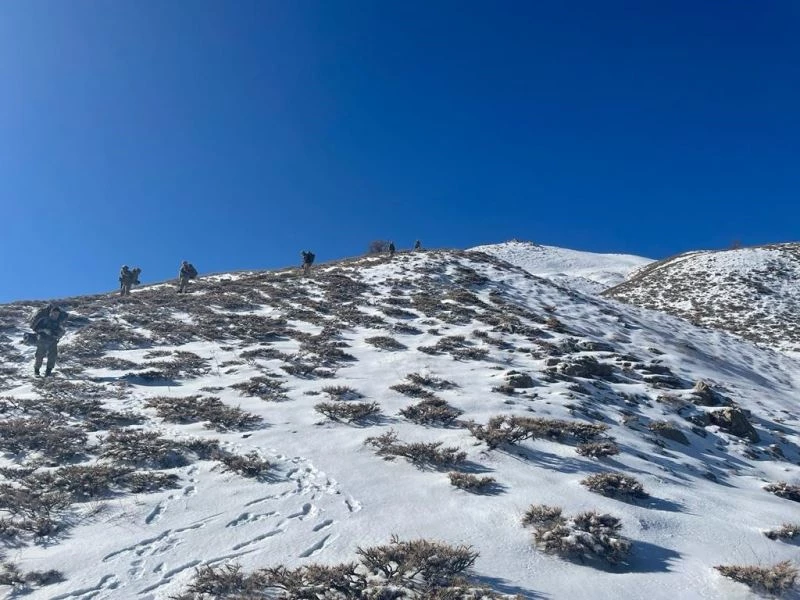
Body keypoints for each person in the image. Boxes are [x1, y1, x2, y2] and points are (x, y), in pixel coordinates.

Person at [31, 305, 67, 377]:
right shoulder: (43, 320)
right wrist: (44, 330)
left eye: (57, 314)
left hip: (53, 341)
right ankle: (36, 371)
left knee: (52, 357)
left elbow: (60, 332)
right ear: (51, 313)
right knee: (39, 356)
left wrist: (60, 333)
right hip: (42, 340)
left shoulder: (58, 323)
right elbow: (35, 329)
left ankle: (48, 372)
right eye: (54, 313)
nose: (56, 315)